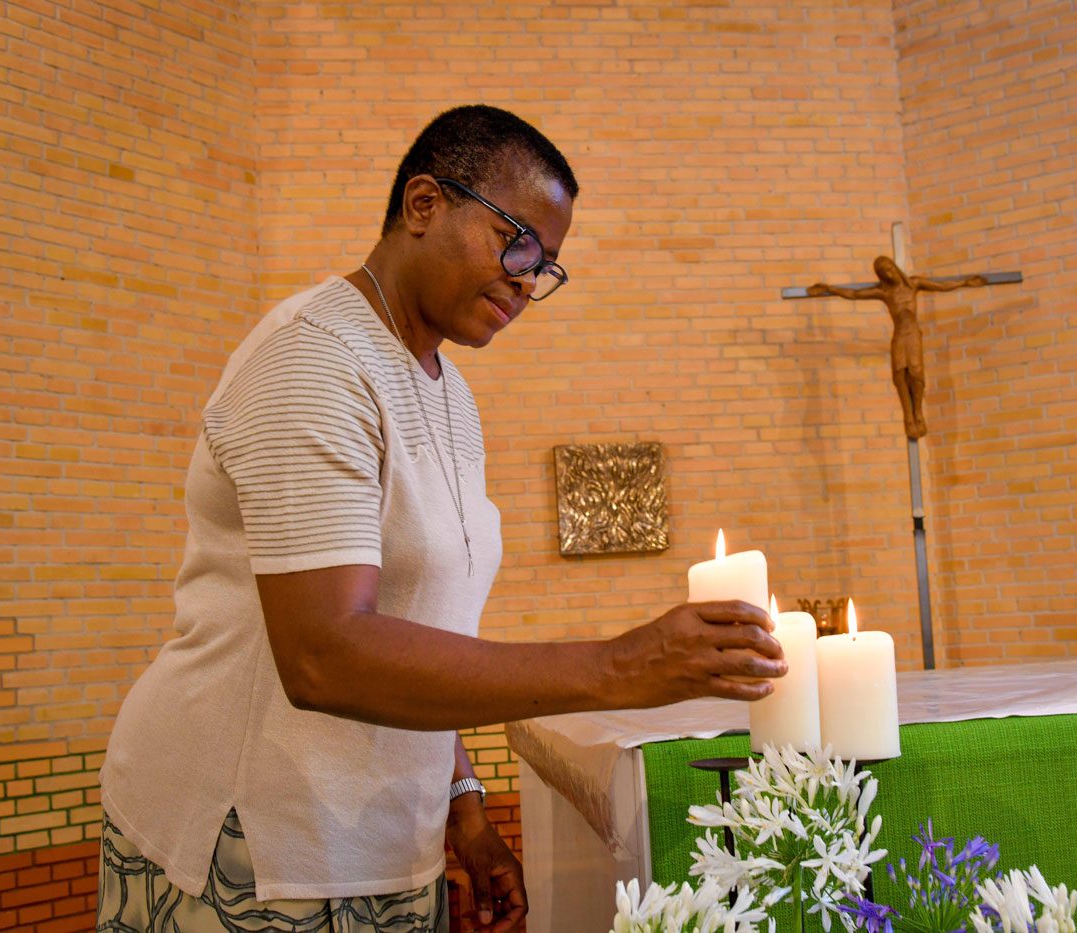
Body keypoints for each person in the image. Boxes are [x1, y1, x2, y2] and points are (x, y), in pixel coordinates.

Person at [97, 104, 786, 933]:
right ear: (424, 203)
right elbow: (325, 654)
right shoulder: (313, 359)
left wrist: (462, 804)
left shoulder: (449, 394)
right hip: (252, 839)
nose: (528, 281)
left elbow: (422, 623)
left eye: (547, 268)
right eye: (517, 242)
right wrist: (618, 665)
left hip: (390, 839)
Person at [807, 257, 986, 439]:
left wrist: (965, 282)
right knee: (900, 373)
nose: (888, 273)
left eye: (889, 268)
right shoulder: (885, 292)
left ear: (895, 267)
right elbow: (855, 294)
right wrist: (830, 289)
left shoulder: (913, 284)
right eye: (883, 272)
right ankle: (908, 416)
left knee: (916, 371)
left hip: (914, 334)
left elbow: (941, 286)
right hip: (899, 336)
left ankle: (917, 412)